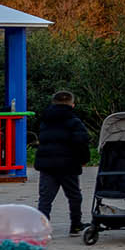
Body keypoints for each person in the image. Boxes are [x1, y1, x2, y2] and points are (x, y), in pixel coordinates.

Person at [35, 90, 91, 235]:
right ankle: (76, 225)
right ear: (72, 104)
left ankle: (43, 227)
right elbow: (81, 141)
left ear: (53, 103)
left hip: (47, 164)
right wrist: (84, 159)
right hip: (68, 164)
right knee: (74, 196)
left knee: (45, 198)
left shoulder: (45, 120)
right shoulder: (74, 121)